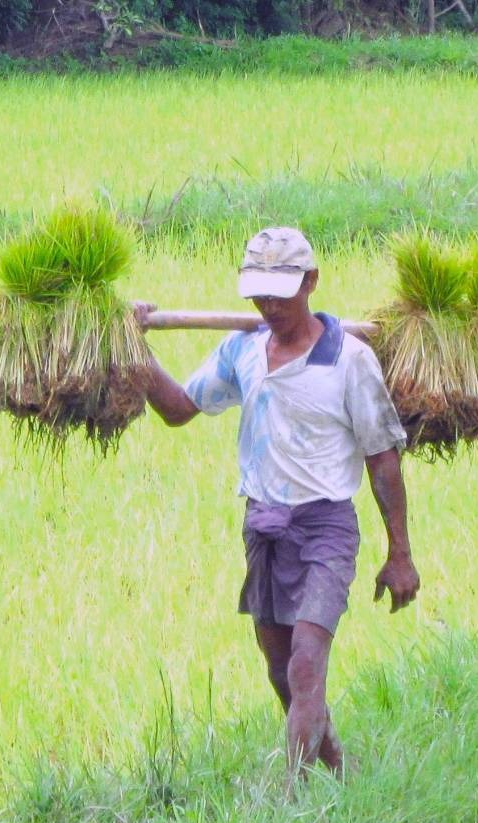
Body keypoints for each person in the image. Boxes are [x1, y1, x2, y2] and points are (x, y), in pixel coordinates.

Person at [135, 227, 420, 778]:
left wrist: (400, 553)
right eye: (259, 294)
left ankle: (291, 804)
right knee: (280, 670)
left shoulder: (349, 361)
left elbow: (383, 458)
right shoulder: (243, 349)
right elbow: (176, 409)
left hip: (325, 528)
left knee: (307, 665)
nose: (269, 306)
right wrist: (131, 345)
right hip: (264, 525)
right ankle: (336, 774)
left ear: (311, 282)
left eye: (280, 293)